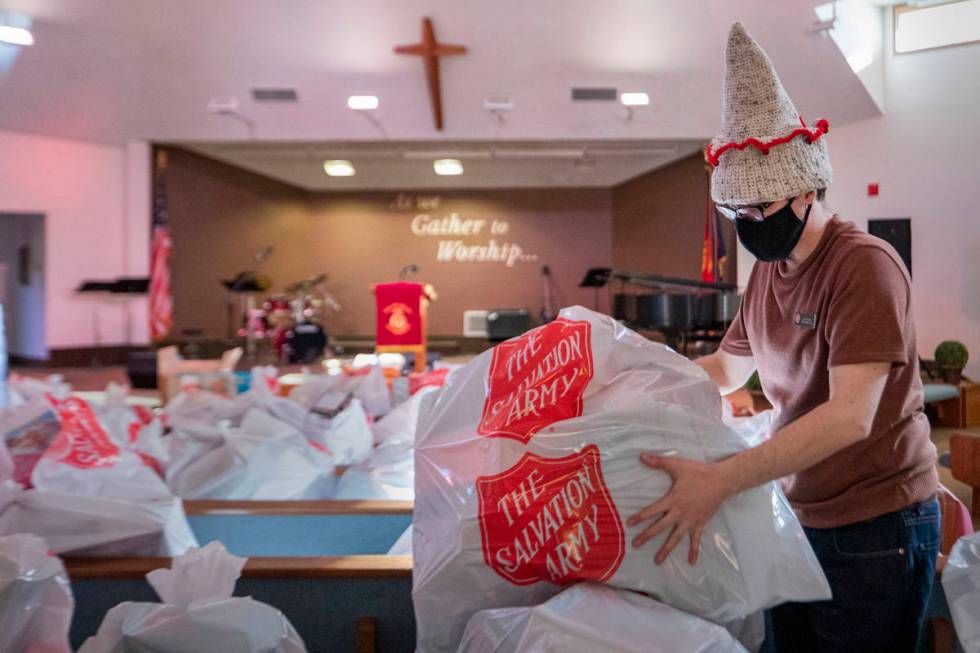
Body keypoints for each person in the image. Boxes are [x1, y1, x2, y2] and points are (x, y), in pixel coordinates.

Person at [628, 23, 940, 653]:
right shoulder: (769, 270)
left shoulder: (863, 266)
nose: (746, 226)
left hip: (877, 524)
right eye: (735, 214)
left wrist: (721, 479)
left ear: (804, 191)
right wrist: (640, 379)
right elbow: (728, 366)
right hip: (802, 516)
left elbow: (851, 417)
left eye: (757, 212)